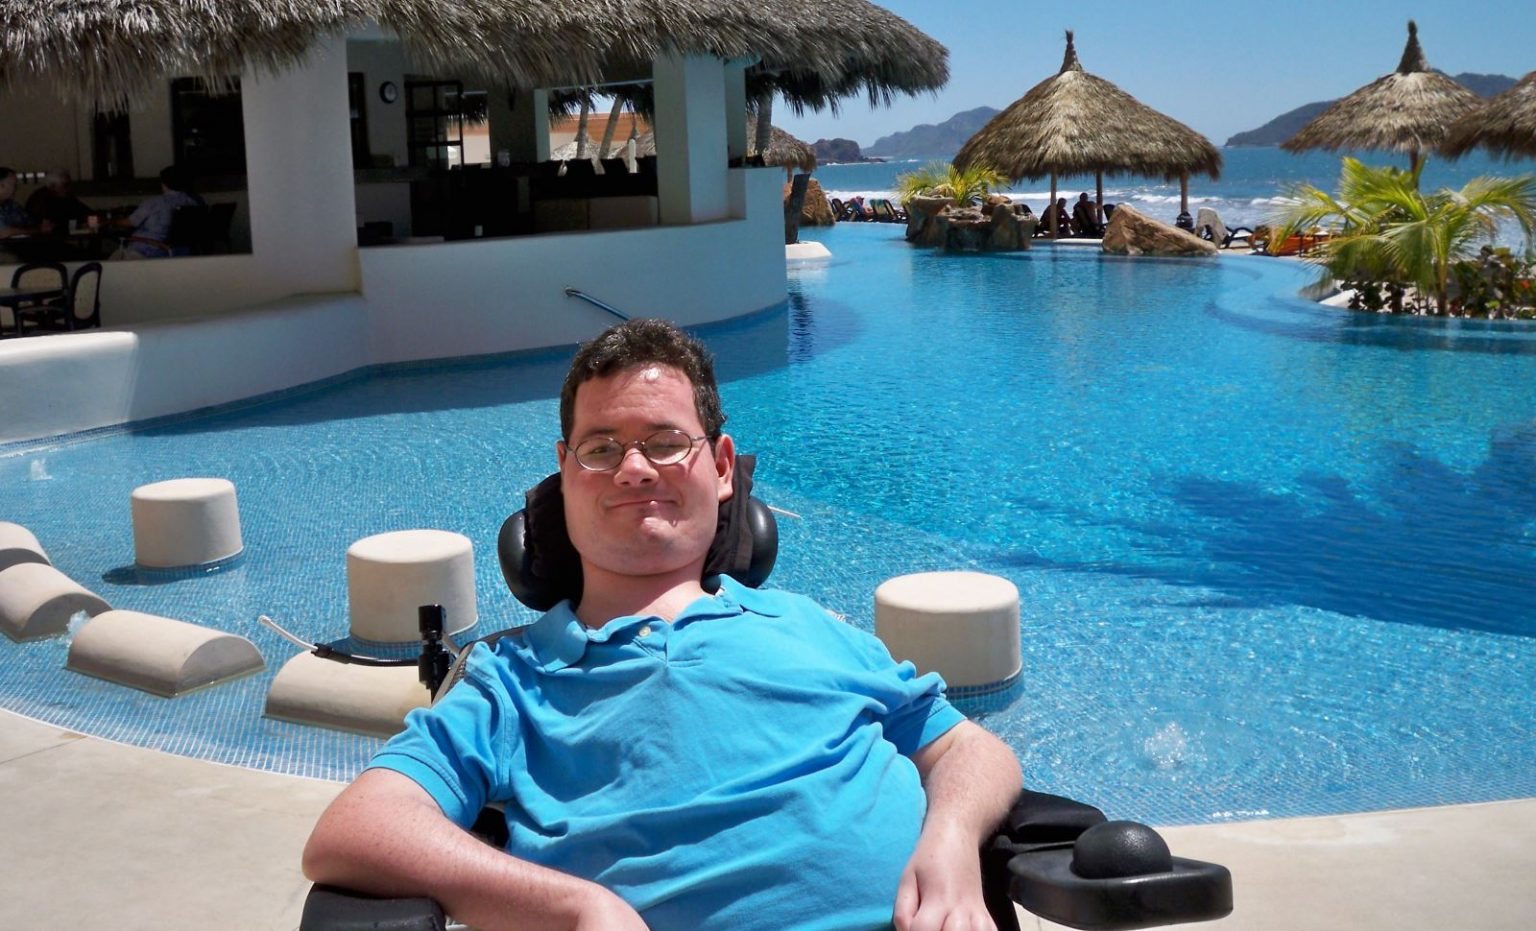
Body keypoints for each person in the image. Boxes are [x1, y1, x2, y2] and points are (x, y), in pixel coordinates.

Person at [303, 318, 1023, 931]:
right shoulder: (513, 682)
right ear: (564, 473)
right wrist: (576, 906)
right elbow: (356, 827)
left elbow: (967, 748)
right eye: (601, 448)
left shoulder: (807, 626)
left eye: (666, 441)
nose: (635, 470)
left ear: (722, 466)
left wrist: (952, 839)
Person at [114, 165, 203, 258]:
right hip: (176, 252)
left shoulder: (154, 203)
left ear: (164, 183)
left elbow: (129, 222)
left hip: (146, 250)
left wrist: (112, 222)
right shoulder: (192, 203)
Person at [24, 169, 92, 232]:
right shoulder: (40, 200)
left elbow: (84, 211)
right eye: (65, 185)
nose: (69, 188)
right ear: (52, 186)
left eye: (69, 184)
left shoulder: (65, 196)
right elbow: (52, 223)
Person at [0, 167, 51, 239]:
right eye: (14, 185)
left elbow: (30, 222)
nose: (16, 189)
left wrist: (42, 225)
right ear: (1, 186)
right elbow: (4, 232)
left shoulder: (12, 205)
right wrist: (38, 230)